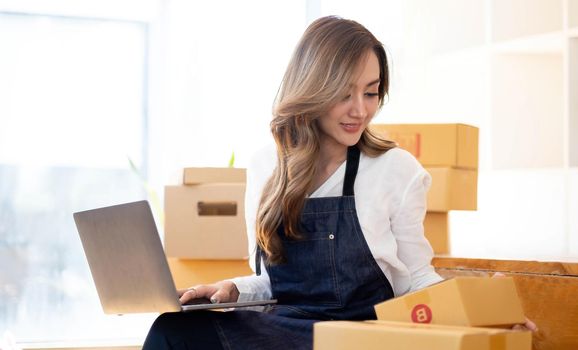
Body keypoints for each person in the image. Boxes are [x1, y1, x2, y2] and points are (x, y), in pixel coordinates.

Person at [143, 15, 535, 349]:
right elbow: (271, 283)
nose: (360, 110)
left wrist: (483, 311)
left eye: (371, 92)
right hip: (286, 330)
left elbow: (416, 279)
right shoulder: (266, 166)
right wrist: (232, 289)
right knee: (172, 331)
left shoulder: (396, 170)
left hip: (359, 336)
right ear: (313, 89)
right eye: (345, 93)